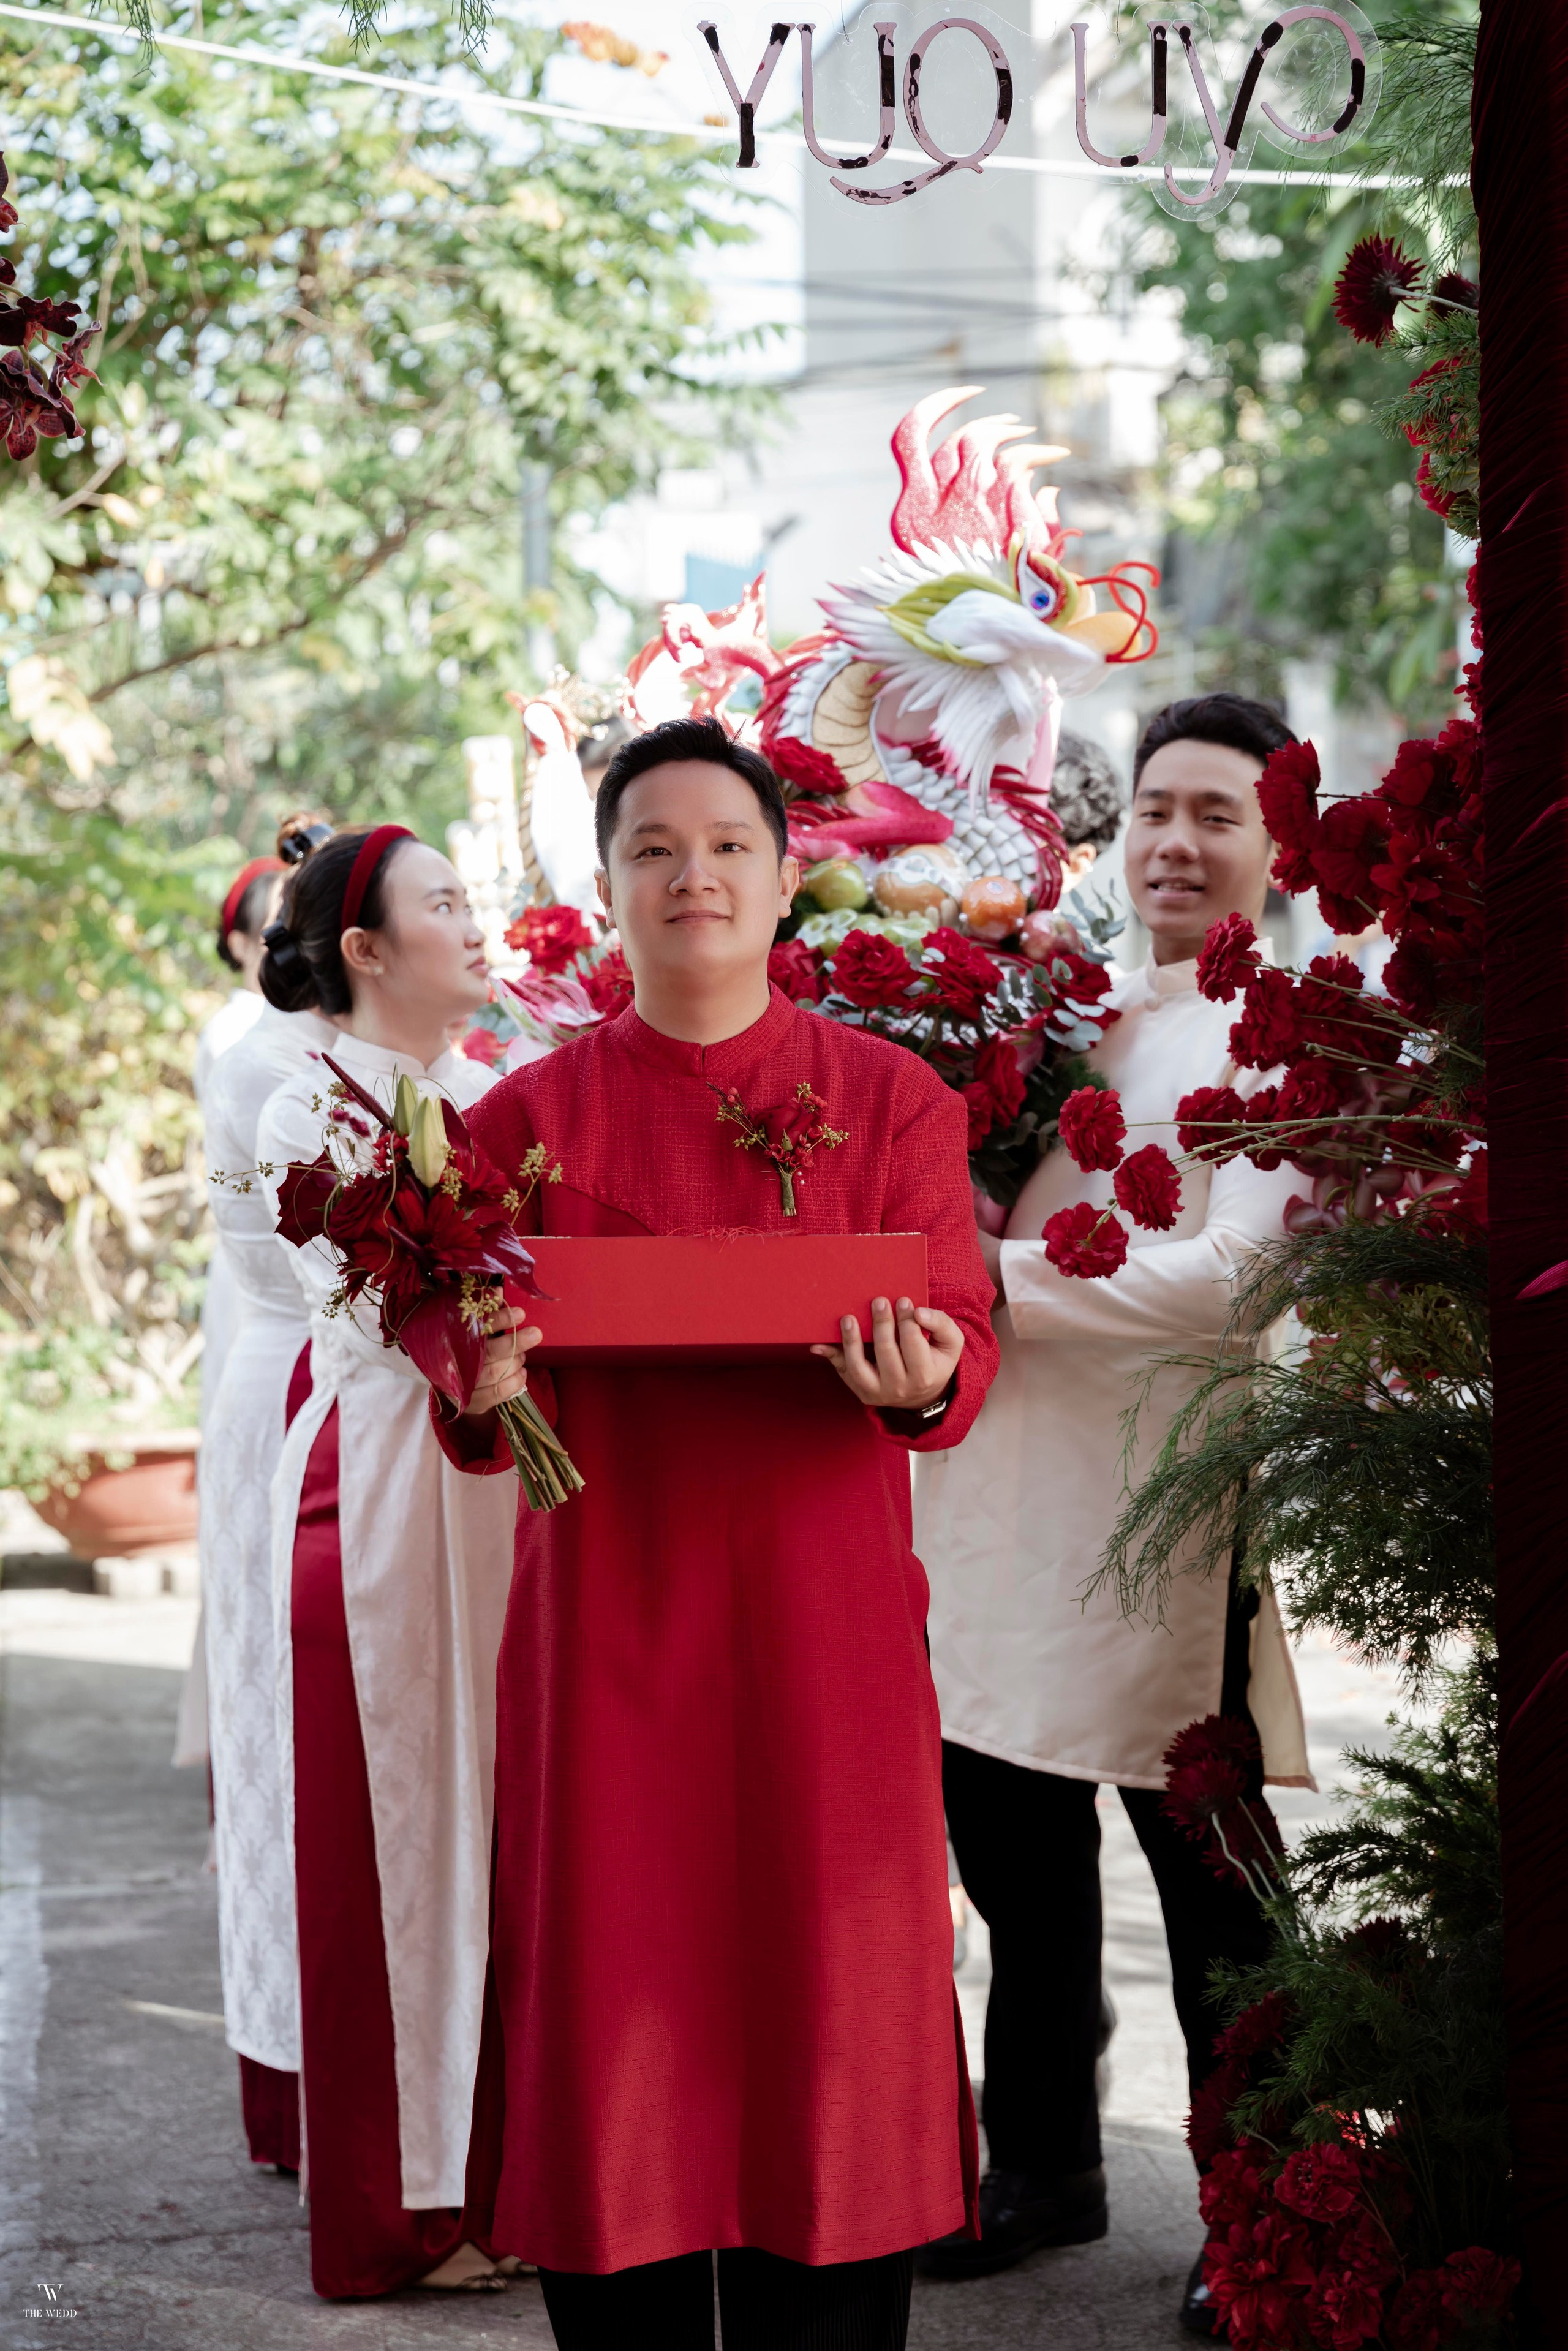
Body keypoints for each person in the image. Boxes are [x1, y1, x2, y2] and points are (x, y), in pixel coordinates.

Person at [434, 714, 1000, 2351]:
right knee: (615, 2018)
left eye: (729, 844)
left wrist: (923, 1371)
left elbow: (955, 1334)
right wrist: (475, 1362)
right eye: (655, 848)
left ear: (787, 873)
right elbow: (466, 1406)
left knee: (828, 2021)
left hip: (821, 1643)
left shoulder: (892, 1099)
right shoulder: (517, 1124)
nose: (694, 875)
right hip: (608, 1628)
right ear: (601, 883)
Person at [911, 694, 1313, 2330]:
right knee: (1009, 1831)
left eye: (1218, 812)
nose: (1177, 839)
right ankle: (1045, 2163)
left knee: (1206, 1869)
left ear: (1279, 844)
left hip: (1166, 1502)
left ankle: (1269, 2198)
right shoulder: (1062, 1000)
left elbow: (1236, 1278)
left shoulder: (1299, 1021)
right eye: (1157, 805)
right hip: (999, 1486)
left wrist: (986, 1276)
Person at [256, 825, 519, 2298]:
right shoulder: (307, 1109)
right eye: (445, 906)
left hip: (496, 1490)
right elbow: (381, 1308)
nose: (477, 927)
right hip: (385, 1496)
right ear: (363, 950)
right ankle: (409, 2202)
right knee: (405, 1829)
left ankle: (507, 2173)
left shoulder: (487, 1090)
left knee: (504, 1822)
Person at [198, 818, 338, 2174]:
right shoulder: (281, 1069)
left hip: (310, 1366)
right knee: (296, 1745)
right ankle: (316, 2082)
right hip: (311, 1378)